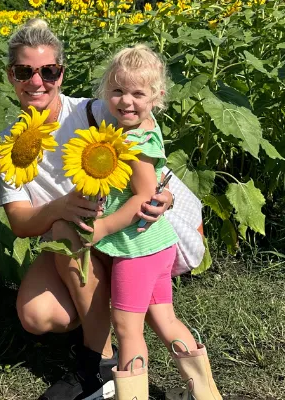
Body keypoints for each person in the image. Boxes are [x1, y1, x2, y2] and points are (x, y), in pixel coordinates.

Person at [0, 19, 199, 400]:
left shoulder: (94, 113)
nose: (37, 82)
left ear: (61, 73)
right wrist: (61, 206)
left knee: (65, 233)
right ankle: (101, 331)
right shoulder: (12, 145)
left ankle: (99, 362)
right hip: (78, 246)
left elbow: (145, 132)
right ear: (10, 76)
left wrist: (160, 192)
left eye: (48, 71)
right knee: (37, 312)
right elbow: (20, 222)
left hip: (122, 237)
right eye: (25, 71)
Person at [80, 45, 221, 400]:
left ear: (156, 97)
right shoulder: (144, 127)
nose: (126, 101)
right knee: (164, 320)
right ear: (105, 92)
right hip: (156, 245)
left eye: (137, 93)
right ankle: (205, 394)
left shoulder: (136, 142)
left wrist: (103, 227)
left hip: (136, 250)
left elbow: (143, 197)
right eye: (117, 91)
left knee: (127, 329)